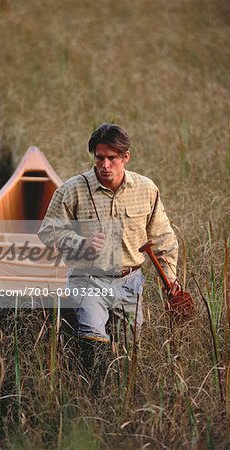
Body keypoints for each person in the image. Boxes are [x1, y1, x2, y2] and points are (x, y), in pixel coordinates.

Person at [38, 123, 178, 377]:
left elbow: (163, 239)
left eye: (112, 158)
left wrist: (170, 279)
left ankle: (120, 394)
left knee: (130, 353)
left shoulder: (146, 189)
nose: (105, 165)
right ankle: (92, 390)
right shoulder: (72, 189)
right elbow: (47, 232)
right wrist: (81, 243)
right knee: (93, 342)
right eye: (99, 157)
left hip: (130, 282)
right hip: (87, 279)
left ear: (125, 157)